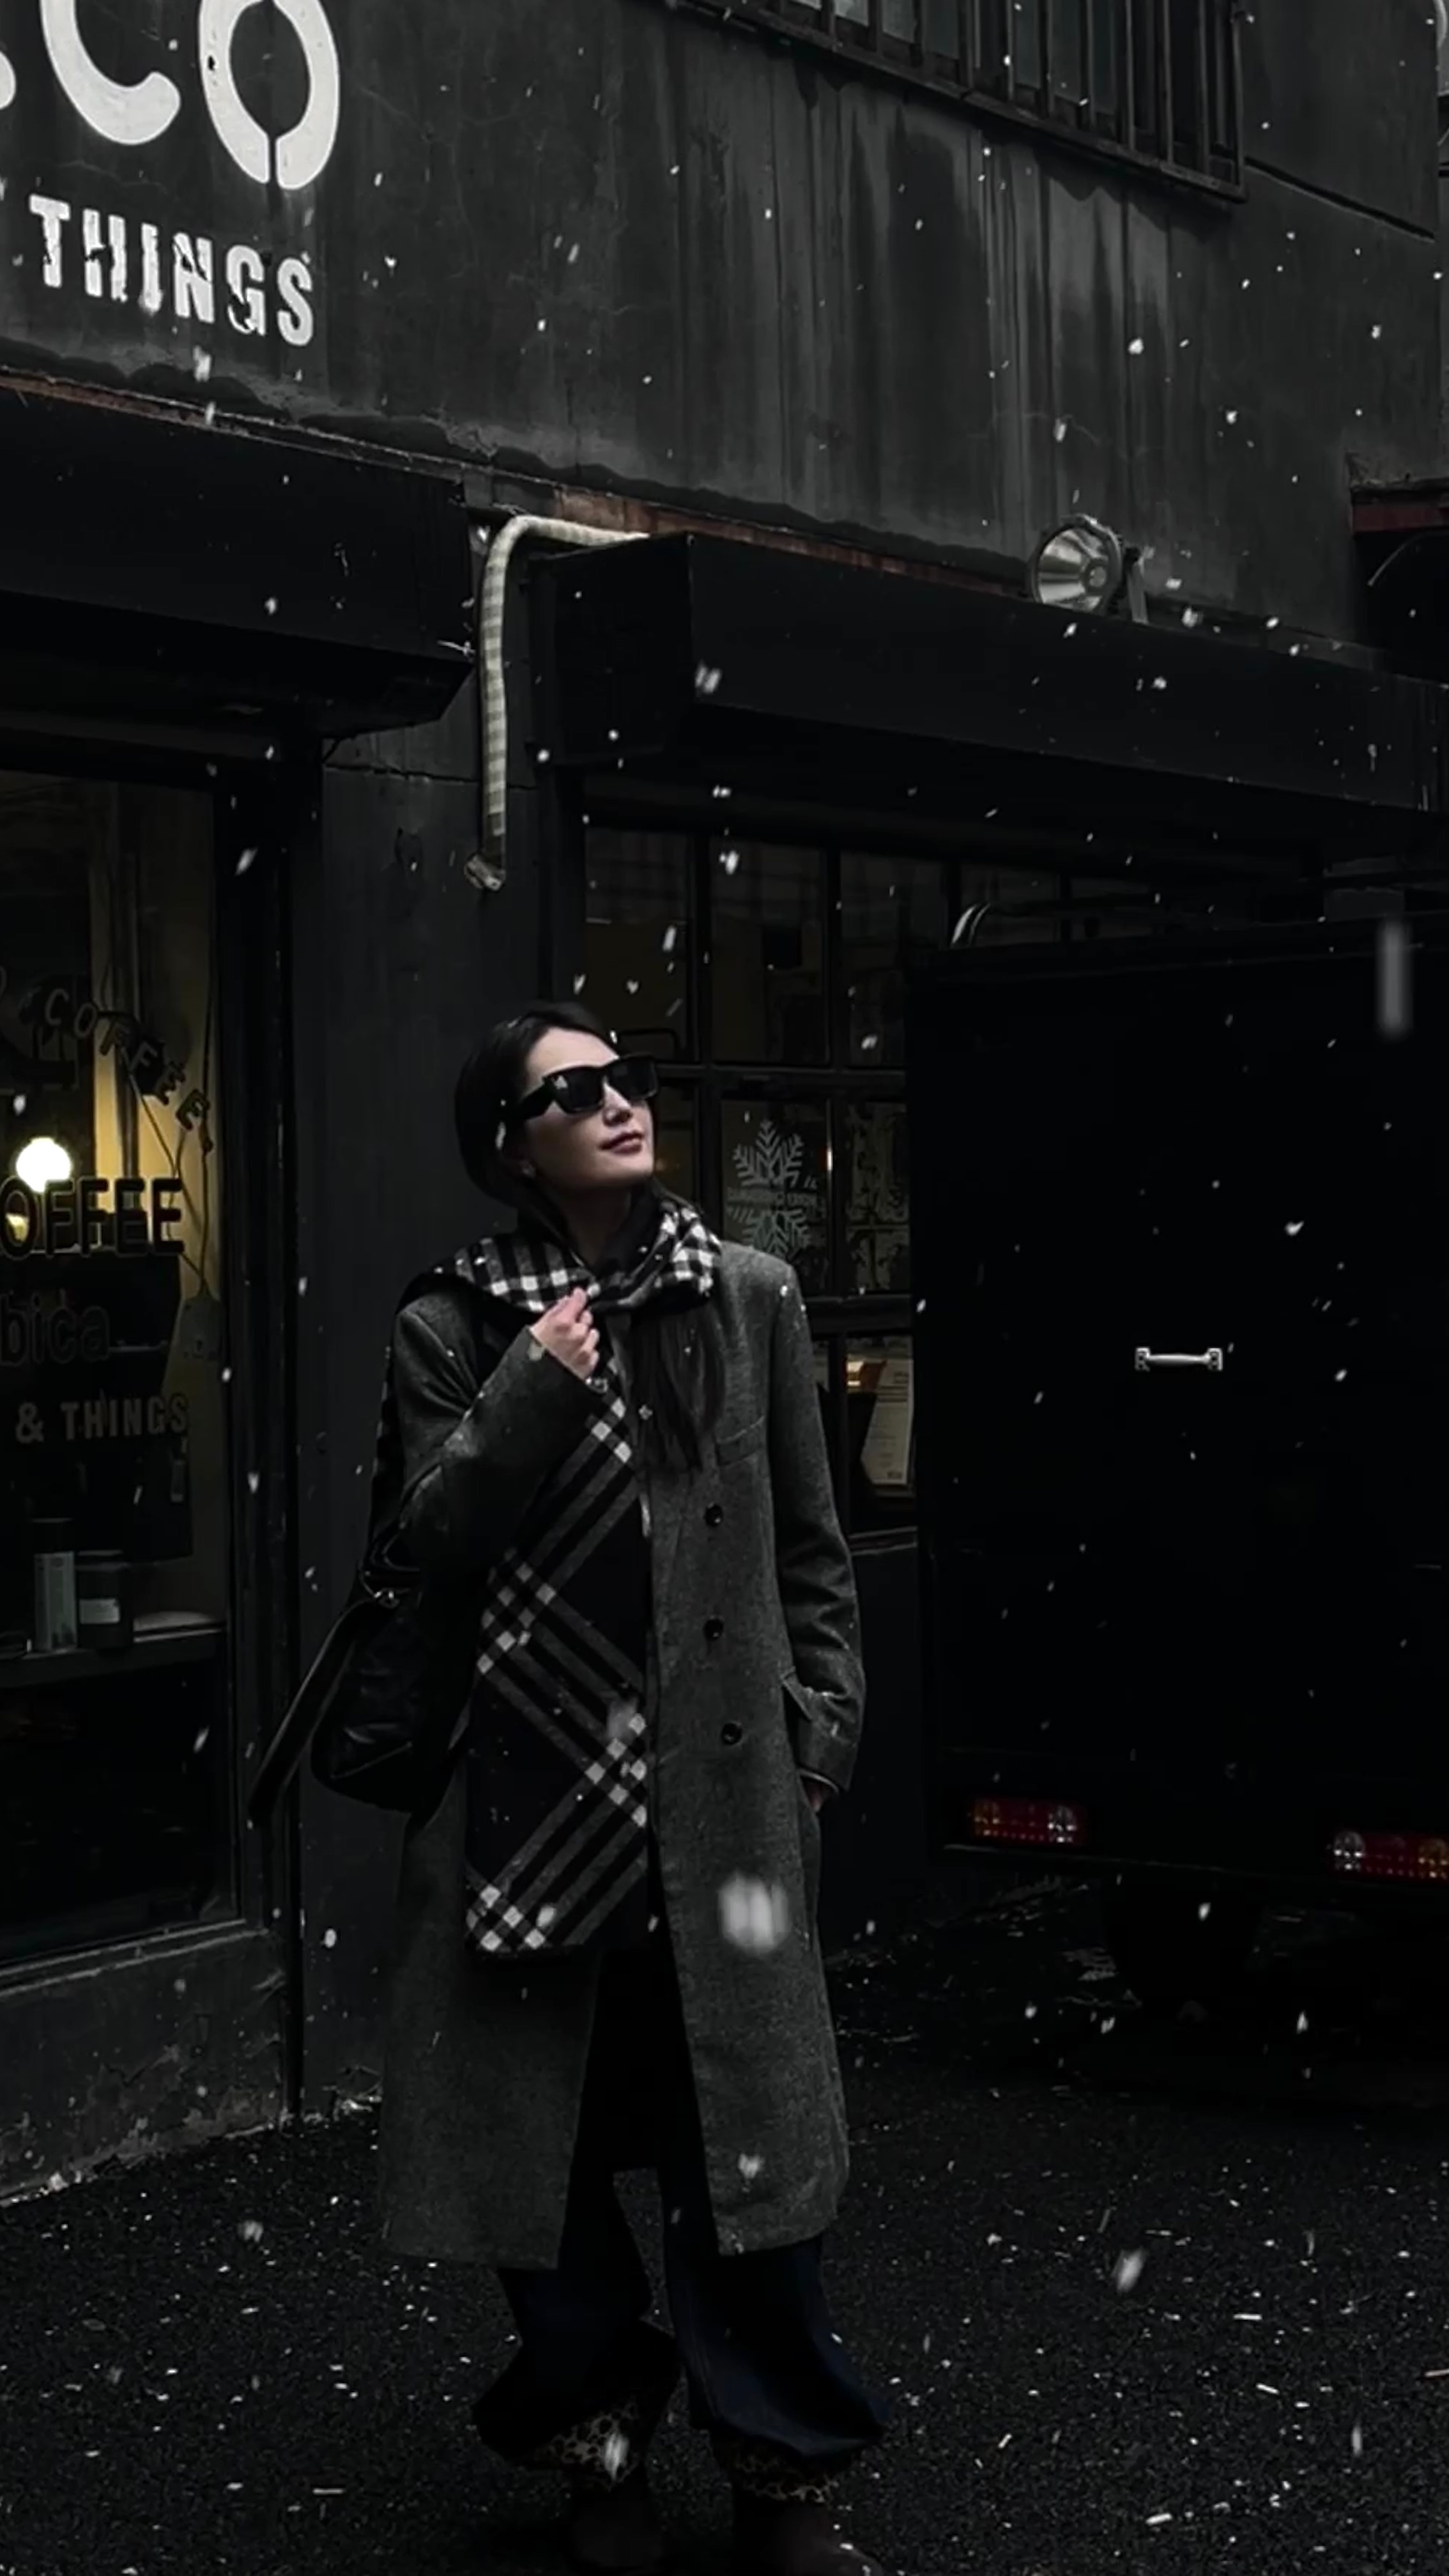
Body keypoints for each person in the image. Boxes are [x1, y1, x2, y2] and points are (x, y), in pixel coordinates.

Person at [376, 999, 890, 2575]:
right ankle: (599, 2450)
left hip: (721, 1807)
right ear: (511, 1145)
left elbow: (811, 1545)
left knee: (748, 2159)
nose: (619, 1103)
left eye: (628, 1079)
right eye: (574, 1090)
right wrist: (534, 1384)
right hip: (530, 1809)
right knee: (545, 2172)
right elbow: (432, 1544)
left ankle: (782, 2474)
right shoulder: (455, 1322)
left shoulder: (747, 1295)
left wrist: (819, 1738)